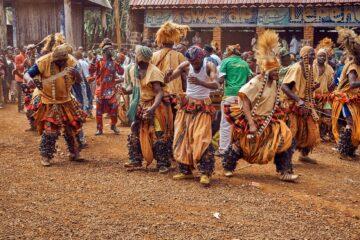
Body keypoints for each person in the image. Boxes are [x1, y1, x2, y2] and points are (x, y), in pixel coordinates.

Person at [222, 30, 298, 181]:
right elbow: (244, 99)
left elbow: (277, 99)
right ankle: (228, 166)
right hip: (254, 119)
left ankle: (284, 171)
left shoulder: (275, 82)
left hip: (270, 119)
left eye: (278, 71)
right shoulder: (256, 82)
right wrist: (250, 123)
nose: (277, 73)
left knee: (287, 139)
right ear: (267, 71)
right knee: (243, 146)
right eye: (275, 71)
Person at [23, 43, 86, 166]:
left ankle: (74, 153)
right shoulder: (43, 61)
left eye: (64, 61)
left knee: (72, 127)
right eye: (60, 62)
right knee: (51, 130)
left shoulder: (71, 61)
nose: (63, 64)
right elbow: (27, 74)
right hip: (48, 100)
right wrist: (29, 79)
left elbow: (80, 81)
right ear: (55, 59)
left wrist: (76, 74)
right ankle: (45, 156)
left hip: (66, 99)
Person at [164, 46, 219, 186]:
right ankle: (185, 170)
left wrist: (201, 82)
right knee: (182, 138)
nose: (193, 64)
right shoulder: (185, 65)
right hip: (187, 105)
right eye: (191, 62)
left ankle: (205, 173)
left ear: (201, 58)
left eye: (196, 62)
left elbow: (216, 85)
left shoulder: (209, 65)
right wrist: (167, 75)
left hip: (203, 107)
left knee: (202, 138)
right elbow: (167, 80)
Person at [123, 45, 173, 173]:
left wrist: (152, 108)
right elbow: (132, 88)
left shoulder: (154, 71)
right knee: (135, 130)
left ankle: (163, 163)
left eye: (136, 54)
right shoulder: (133, 70)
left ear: (140, 58)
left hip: (155, 106)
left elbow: (159, 93)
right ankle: (136, 160)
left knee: (158, 133)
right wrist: (124, 90)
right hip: (140, 105)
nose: (134, 57)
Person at [281, 46, 321, 164]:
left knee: (311, 131)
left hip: (306, 104)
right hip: (294, 104)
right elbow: (284, 87)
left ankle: (304, 155)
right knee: (293, 132)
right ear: (304, 55)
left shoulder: (310, 68)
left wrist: (313, 87)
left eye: (314, 54)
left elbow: (306, 86)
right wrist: (298, 100)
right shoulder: (296, 68)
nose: (314, 57)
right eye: (311, 55)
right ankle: (286, 159)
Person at [218, 44, 252, 156]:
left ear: (229, 52)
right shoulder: (245, 63)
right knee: (241, 124)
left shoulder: (226, 62)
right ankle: (241, 149)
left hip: (229, 96)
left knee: (226, 124)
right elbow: (249, 80)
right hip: (242, 97)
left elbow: (221, 80)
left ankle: (223, 149)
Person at [331, 27, 360, 160]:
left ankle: (350, 150)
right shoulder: (353, 67)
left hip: (354, 98)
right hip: (346, 99)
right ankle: (343, 151)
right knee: (350, 123)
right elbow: (353, 83)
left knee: (355, 124)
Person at [89, 38, 124, 135]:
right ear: (104, 52)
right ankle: (99, 129)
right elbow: (91, 71)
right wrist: (93, 59)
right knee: (99, 111)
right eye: (108, 50)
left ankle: (113, 125)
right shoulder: (99, 62)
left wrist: (119, 61)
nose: (110, 52)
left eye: (111, 50)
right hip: (100, 91)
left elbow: (121, 72)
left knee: (114, 109)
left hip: (111, 91)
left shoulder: (114, 62)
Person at [151, 21, 189, 97]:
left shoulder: (153, 55)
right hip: (174, 94)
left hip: (157, 93)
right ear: (174, 41)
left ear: (161, 42)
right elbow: (186, 74)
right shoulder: (179, 55)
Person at [313, 48, 334, 141]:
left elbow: (330, 84)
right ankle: (315, 135)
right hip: (313, 95)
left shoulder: (329, 69)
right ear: (316, 56)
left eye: (323, 56)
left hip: (325, 96)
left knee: (328, 114)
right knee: (315, 116)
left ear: (326, 58)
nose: (322, 57)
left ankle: (323, 133)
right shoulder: (312, 67)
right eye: (320, 55)